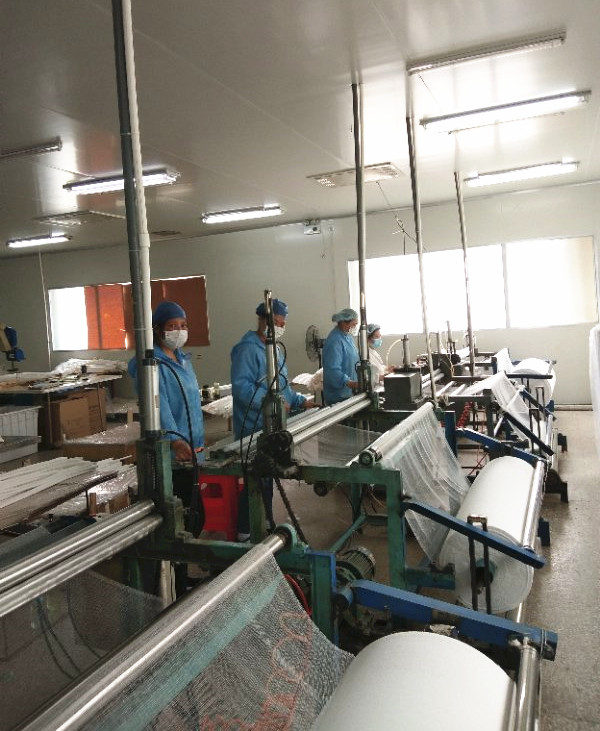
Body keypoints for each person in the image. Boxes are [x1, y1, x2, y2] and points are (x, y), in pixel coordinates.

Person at [231, 298, 314, 538]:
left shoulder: (275, 349)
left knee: (266, 477)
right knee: (256, 477)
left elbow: (282, 386)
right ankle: (245, 531)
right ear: (262, 320)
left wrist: (300, 401)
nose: (279, 327)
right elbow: (242, 389)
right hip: (254, 427)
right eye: (275, 322)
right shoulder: (247, 349)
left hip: (273, 425)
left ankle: (265, 521)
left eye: (282, 323)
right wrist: (271, 403)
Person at [128, 300, 204, 526]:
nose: (179, 331)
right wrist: (174, 441)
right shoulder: (152, 365)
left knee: (195, 514)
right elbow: (158, 407)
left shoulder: (183, 360)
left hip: (193, 448)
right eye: (172, 326)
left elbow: (191, 403)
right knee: (183, 518)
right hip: (172, 453)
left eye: (183, 325)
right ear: (158, 329)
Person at [322, 308, 360, 405]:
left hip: (349, 393)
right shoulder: (334, 341)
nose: (355, 327)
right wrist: (350, 383)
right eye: (353, 324)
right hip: (338, 396)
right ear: (344, 323)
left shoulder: (348, 337)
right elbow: (332, 370)